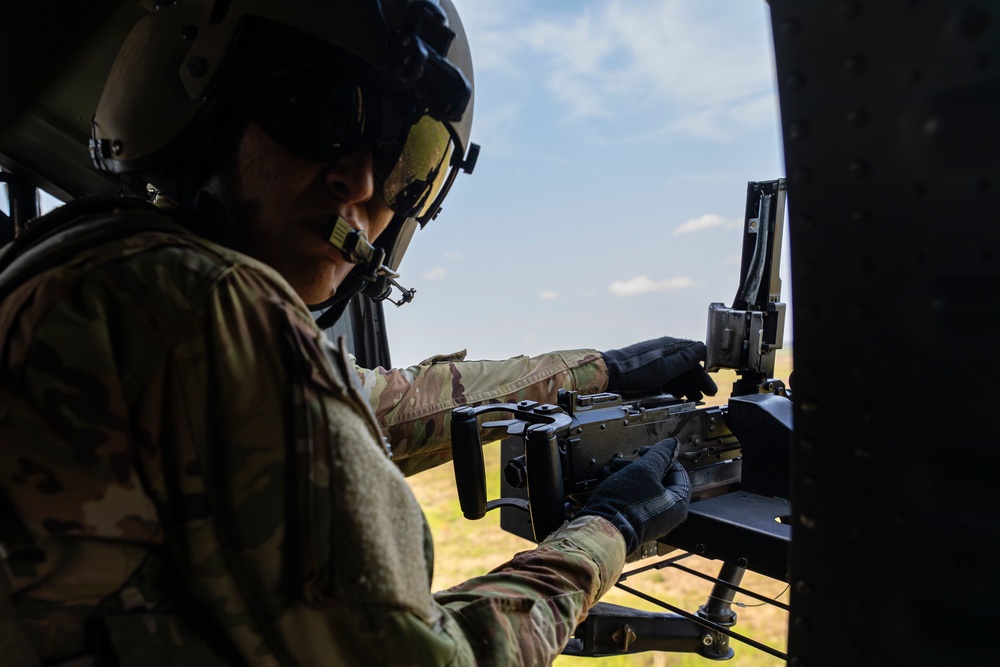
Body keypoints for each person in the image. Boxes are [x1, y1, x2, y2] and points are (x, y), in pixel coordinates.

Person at [0, 1, 715, 664]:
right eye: (319, 112)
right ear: (206, 100)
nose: (363, 184)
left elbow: (379, 401)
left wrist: (602, 370)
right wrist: (606, 533)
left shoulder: (93, 268)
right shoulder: (208, 300)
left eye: (409, 157)